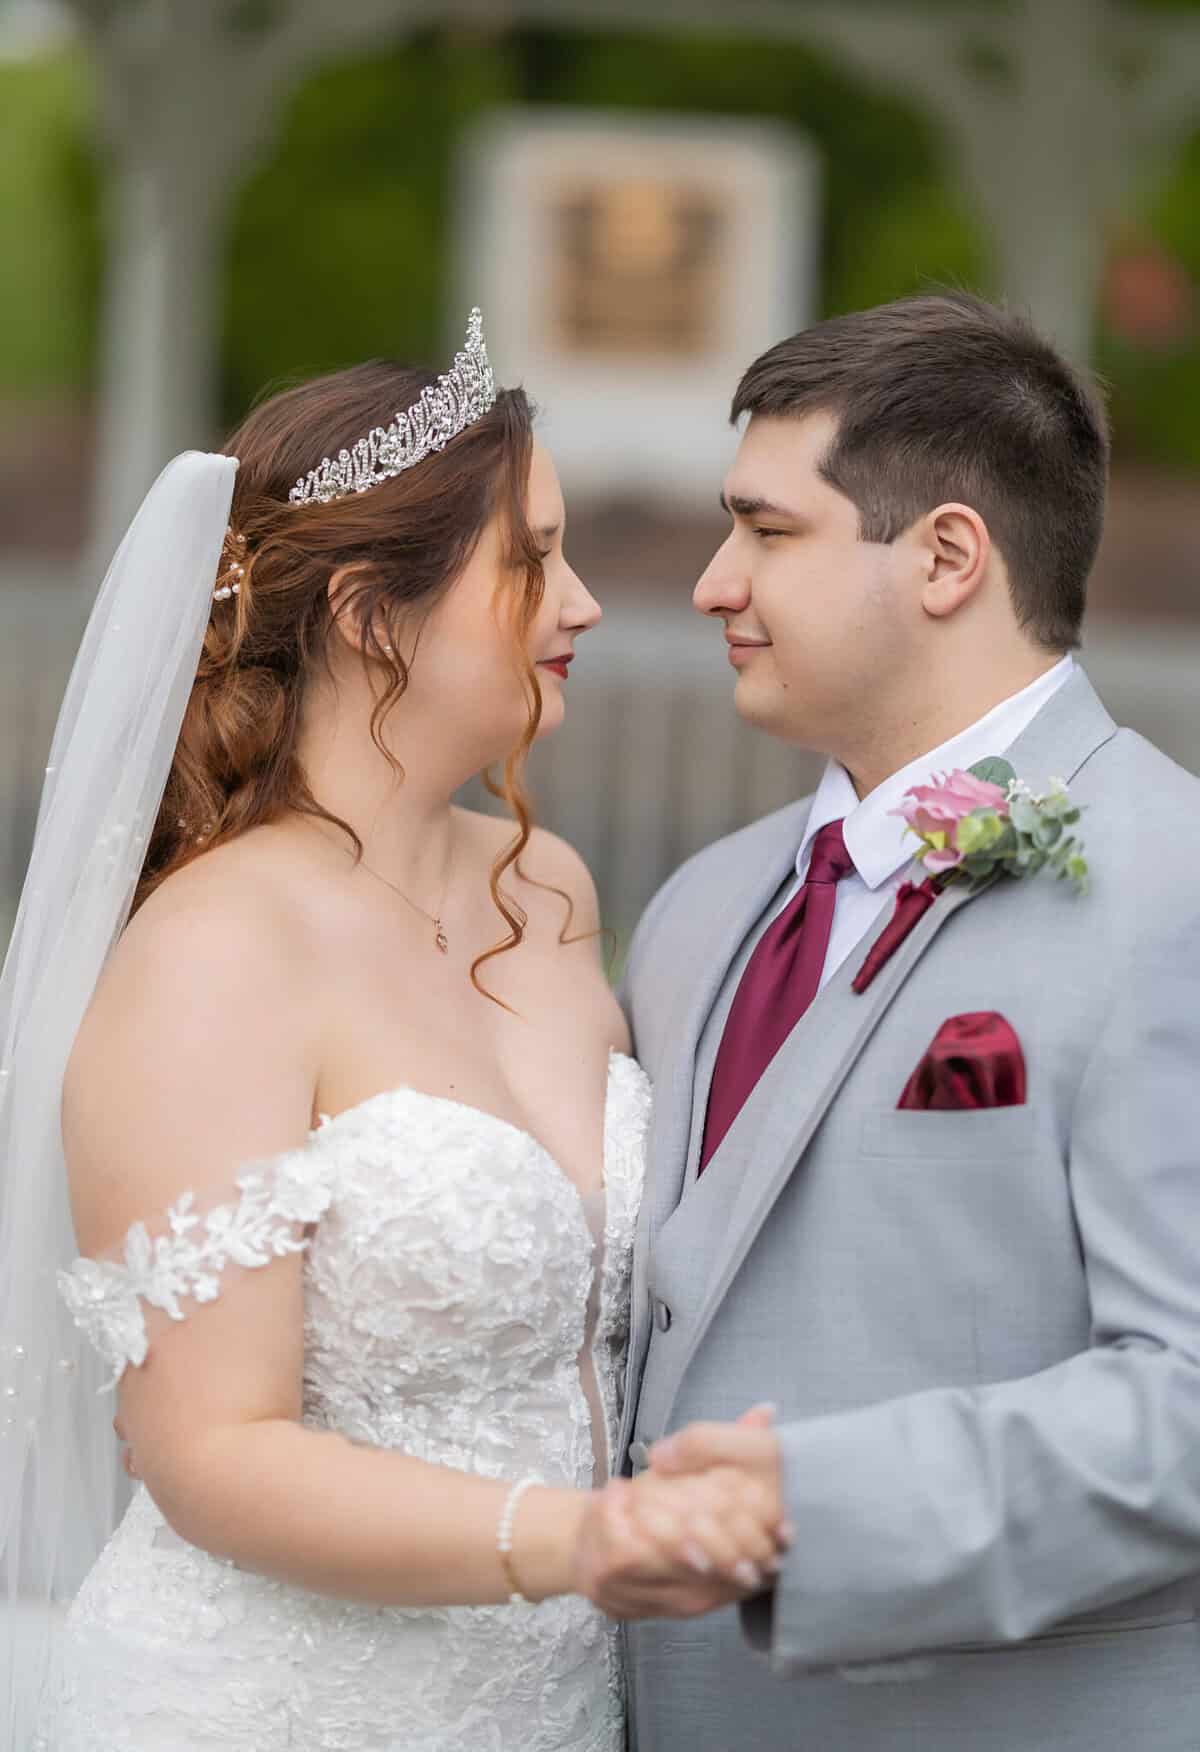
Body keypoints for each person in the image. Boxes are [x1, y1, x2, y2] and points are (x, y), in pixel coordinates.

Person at [0, 313, 783, 1751]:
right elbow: (211, 1453)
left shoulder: (544, 888)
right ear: (371, 612)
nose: (589, 604)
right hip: (271, 1708)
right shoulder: (214, 951)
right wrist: (583, 1540)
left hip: (551, 1708)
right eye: (533, 560)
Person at [615, 292, 1200, 1752]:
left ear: (947, 555)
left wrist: (814, 1509)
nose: (711, 582)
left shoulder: (1176, 888)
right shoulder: (699, 910)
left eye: (768, 530)